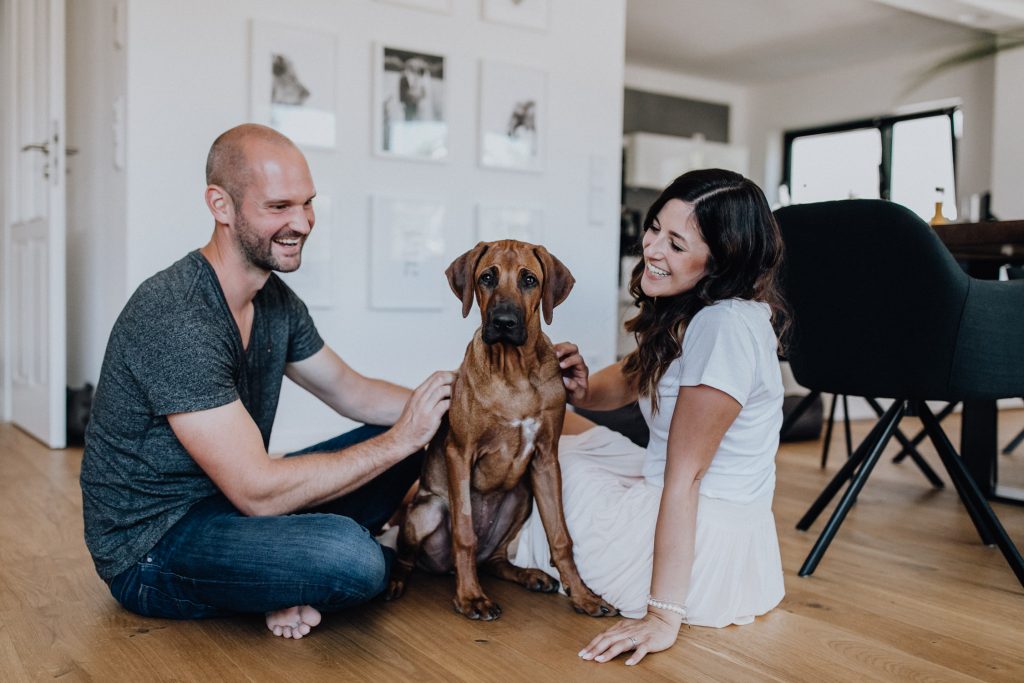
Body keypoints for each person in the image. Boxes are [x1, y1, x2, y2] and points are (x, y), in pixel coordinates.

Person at [80, 123, 454, 639]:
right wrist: (399, 441)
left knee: (424, 424)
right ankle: (304, 569)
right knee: (353, 558)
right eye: (279, 207)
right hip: (154, 544)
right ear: (221, 205)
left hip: (234, 507)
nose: (301, 222)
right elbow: (257, 492)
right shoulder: (176, 313)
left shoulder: (275, 301)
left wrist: (463, 406)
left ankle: (280, 574)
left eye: (308, 203)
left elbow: (352, 392)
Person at [513, 169, 789, 665]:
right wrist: (579, 386)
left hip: (699, 540)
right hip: (706, 511)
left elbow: (686, 478)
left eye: (676, 243)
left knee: (548, 455)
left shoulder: (722, 327)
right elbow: (624, 381)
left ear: (720, 261)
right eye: (655, 227)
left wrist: (662, 616)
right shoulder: (699, 310)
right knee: (562, 425)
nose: (653, 248)